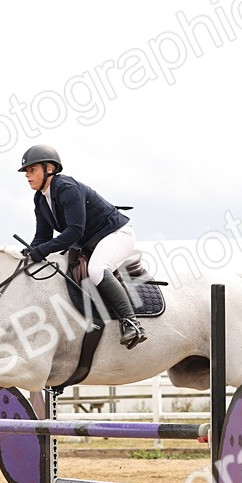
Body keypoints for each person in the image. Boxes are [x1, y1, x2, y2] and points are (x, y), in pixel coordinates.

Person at [18, 144, 147, 349]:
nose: (27, 175)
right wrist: (30, 252)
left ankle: (132, 322)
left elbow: (74, 231)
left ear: (49, 168)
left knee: (97, 270)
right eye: (26, 171)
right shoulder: (40, 199)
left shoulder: (67, 188)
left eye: (32, 170)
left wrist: (42, 250)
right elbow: (43, 235)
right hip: (89, 242)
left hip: (115, 234)